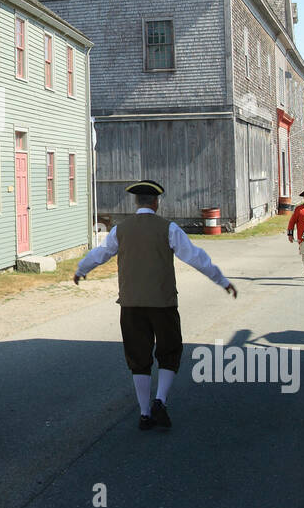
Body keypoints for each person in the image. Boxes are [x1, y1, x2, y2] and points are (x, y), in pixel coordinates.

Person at [73, 180, 238, 431]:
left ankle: (144, 412)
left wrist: (81, 270)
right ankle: (160, 400)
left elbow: (100, 254)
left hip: (131, 304)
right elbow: (195, 257)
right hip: (162, 303)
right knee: (169, 351)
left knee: (138, 356)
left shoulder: (121, 230)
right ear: (156, 202)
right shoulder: (168, 228)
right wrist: (222, 280)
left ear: (136, 202)